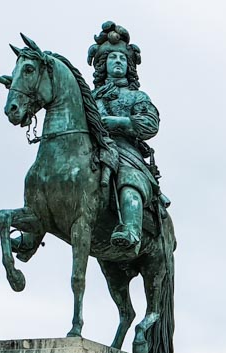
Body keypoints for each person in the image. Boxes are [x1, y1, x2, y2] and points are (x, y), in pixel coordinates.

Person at [86, 22, 169, 256]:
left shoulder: (137, 96)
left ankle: (131, 229)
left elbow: (150, 124)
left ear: (129, 66)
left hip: (126, 153)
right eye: (113, 58)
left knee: (128, 179)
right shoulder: (90, 97)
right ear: (104, 64)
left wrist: (119, 123)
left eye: (123, 59)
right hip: (92, 149)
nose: (118, 62)